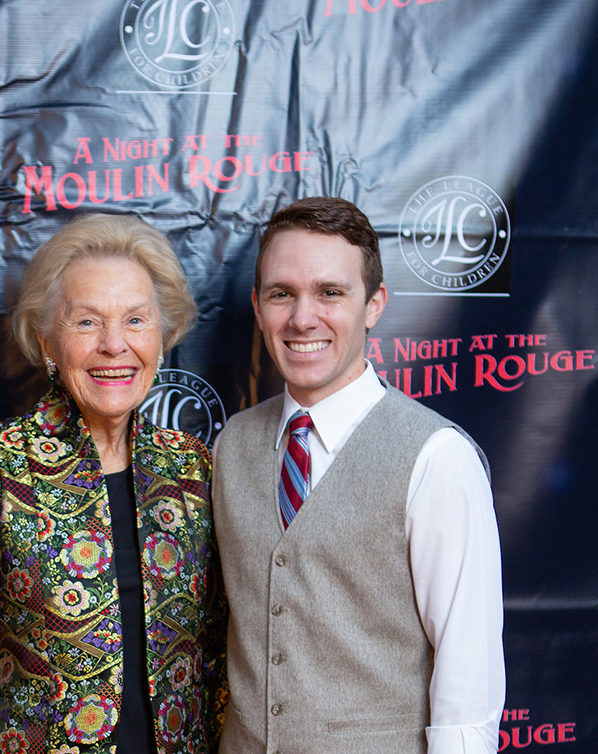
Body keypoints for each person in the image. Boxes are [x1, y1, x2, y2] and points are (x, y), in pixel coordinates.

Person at [0, 214, 227, 754]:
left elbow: (221, 655)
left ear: (163, 336)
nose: (115, 345)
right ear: (47, 342)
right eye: (87, 322)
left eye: (136, 320)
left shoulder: (193, 470)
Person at [213, 196, 505, 754]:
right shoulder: (232, 445)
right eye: (282, 294)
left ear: (374, 305)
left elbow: (468, 673)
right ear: (257, 306)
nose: (303, 318)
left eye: (330, 292)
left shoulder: (437, 458)